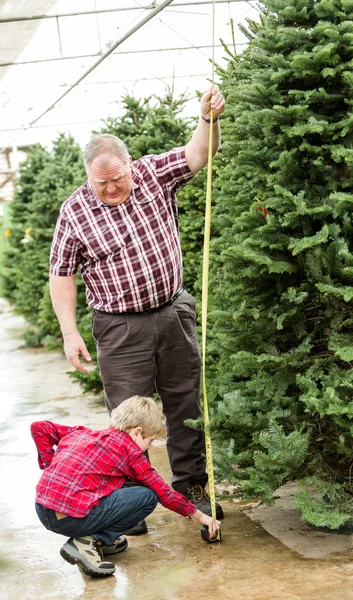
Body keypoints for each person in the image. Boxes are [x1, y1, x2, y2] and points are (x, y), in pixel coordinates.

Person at [49, 84, 225, 528]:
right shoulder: (75, 211)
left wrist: (208, 119)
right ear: (88, 176)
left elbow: (199, 154)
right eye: (100, 182)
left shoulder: (154, 174)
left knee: (185, 403)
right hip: (119, 325)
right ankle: (127, 502)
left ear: (130, 164)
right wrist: (70, 332)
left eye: (117, 178)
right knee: (129, 413)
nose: (110, 188)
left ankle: (191, 486)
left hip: (173, 310)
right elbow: (61, 274)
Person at [32, 395, 221, 578]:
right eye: (150, 440)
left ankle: (96, 540)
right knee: (147, 497)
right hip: (69, 518)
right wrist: (201, 516)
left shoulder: (83, 433)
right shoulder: (130, 451)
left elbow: (40, 427)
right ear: (137, 432)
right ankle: (87, 541)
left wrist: (51, 466)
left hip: (43, 509)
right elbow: (164, 494)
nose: (149, 446)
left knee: (112, 490)